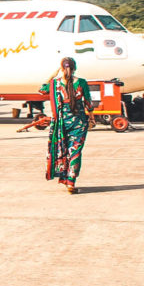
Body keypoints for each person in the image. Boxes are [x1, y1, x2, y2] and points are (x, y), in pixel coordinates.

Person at [42, 57, 94, 194]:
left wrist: (54, 74)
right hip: (79, 122)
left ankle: (64, 178)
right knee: (75, 151)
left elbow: (42, 90)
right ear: (75, 67)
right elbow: (88, 103)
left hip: (61, 123)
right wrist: (92, 117)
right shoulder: (81, 82)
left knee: (63, 150)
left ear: (61, 68)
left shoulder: (55, 83)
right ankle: (71, 182)